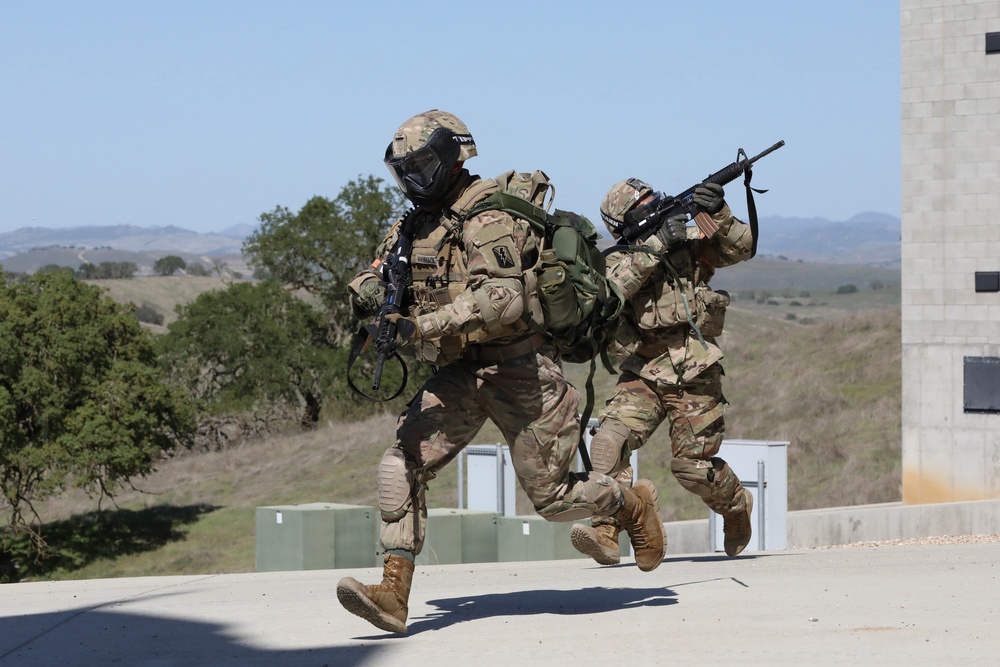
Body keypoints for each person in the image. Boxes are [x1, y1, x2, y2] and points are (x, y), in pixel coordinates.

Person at [336, 110, 664, 635]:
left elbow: (503, 298)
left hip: (520, 370)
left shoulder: (486, 216)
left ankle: (628, 502)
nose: (413, 179)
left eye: (422, 165)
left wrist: (418, 327)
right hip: (458, 370)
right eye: (405, 170)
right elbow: (373, 271)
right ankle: (393, 593)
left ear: (452, 156)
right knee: (401, 463)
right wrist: (371, 292)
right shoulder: (413, 223)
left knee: (553, 500)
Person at [569, 177, 755, 566]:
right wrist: (657, 245)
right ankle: (605, 529)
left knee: (691, 469)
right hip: (645, 371)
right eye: (644, 204)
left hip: (694, 370)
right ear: (624, 224)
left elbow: (743, 248)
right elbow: (613, 289)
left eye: (654, 198)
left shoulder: (689, 240)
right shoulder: (618, 257)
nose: (655, 206)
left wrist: (719, 211)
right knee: (607, 443)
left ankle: (736, 506)